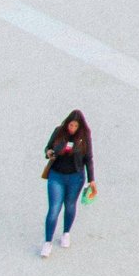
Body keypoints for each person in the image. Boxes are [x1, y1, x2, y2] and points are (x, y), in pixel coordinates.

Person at [40, 110, 96, 258]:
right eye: (70, 124)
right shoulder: (59, 132)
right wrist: (49, 153)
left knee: (70, 205)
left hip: (75, 177)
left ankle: (66, 233)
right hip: (56, 175)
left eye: (75, 126)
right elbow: (48, 148)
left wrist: (92, 180)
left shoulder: (84, 137)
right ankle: (47, 242)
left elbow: (88, 159)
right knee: (54, 208)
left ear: (80, 126)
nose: (72, 128)